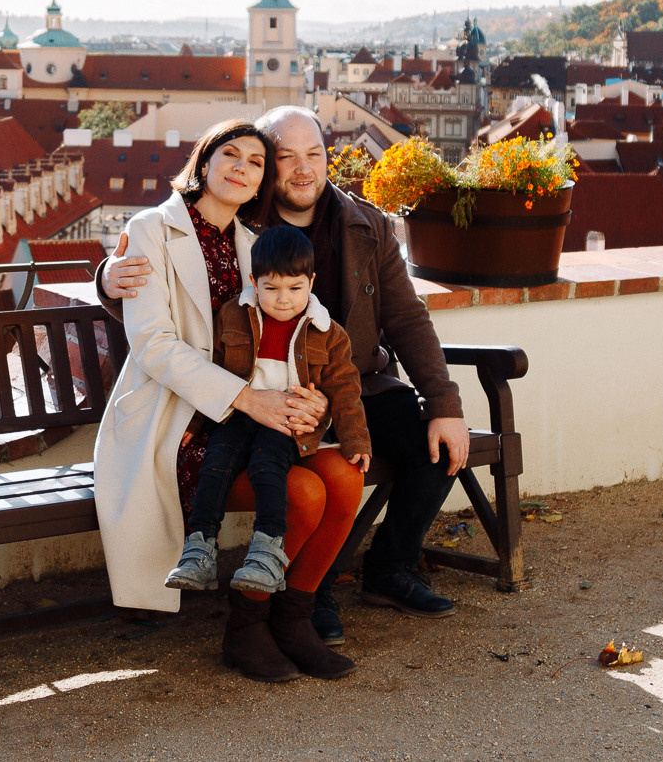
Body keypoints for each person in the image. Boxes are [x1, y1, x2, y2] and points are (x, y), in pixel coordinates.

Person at [103, 104, 470, 645]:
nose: (302, 169)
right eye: (285, 156)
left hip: (353, 385)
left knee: (435, 445)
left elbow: (407, 316)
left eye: (315, 154)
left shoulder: (365, 224)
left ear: (329, 158)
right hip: (270, 392)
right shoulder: (248, 222)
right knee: (316, 482)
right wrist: (107, 278)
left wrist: (444, 403)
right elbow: (187, 307)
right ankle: (307, 596)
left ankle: (389, 569)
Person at [90, 120, 362, 684]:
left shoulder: (252, 243)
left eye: (256, 161)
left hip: (256, 409)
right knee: (306, 492)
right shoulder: (150, 230)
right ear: (204, 163)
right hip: (179, 420)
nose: (242, 167)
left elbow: (291, 336)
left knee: (346, 478)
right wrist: (250, 400)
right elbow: (153, 345)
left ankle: (294, 619)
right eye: (229, 154)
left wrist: (311, 403)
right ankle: (245, 627)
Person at [168, 224, 372, 597]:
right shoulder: (233, 315)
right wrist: (195, 422)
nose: (283, 300)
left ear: (311, 282)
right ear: (253, 281)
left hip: (284, 425)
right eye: (271, 288)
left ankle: (266, 553)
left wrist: (356, 439)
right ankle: (199, 550)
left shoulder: (328, 332)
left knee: (267, 468)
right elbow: (211, 370)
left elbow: (345, 389)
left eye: (295, 289)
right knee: (216, 463)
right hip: (236, 415)